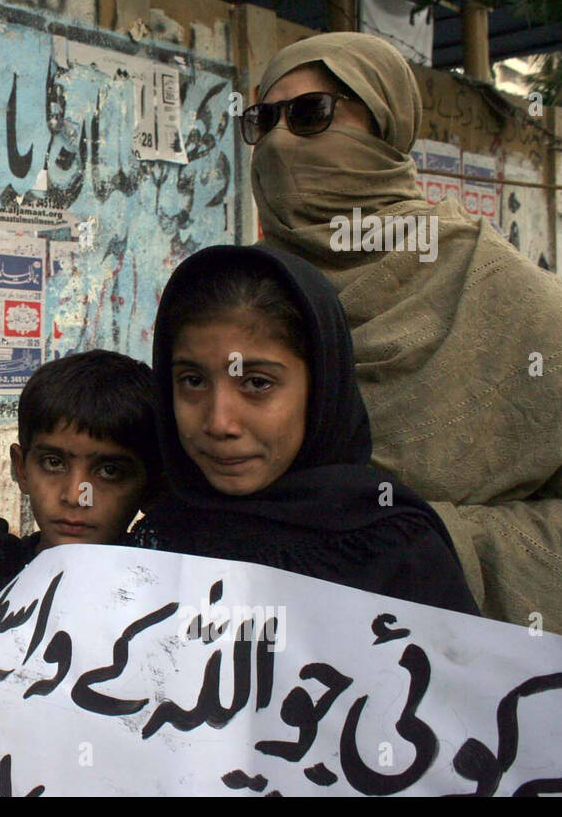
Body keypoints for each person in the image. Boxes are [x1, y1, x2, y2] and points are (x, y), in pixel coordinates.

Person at [247, 32, 562, 639]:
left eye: (310, 114)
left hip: (451, 679)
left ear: (384, 127)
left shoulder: (497, 290)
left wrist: (433, 541)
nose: (277, 142)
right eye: (262, 120)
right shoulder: (241, 293)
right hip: (265, 669)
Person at [127, 243, 479, 620]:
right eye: (193, 381)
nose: (219, 423)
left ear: (322, 388)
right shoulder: (158, 543)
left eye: (257, 383)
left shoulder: (397, 549)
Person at [0, 350, 158, 764]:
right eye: (53, 463)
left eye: (109, 471)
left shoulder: (170, 604)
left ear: (151, 481)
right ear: (21, 468)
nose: (75, 495)